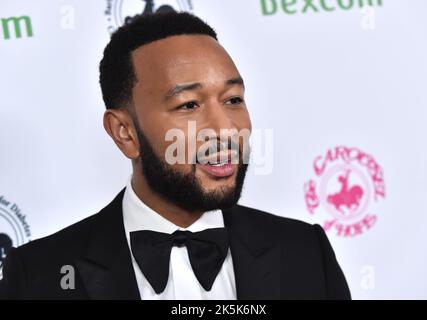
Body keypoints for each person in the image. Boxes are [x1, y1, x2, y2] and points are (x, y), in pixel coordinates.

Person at [0, 11, 350, 300]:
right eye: (188, 105)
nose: (225, 128)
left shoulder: (305, 253)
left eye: (233, 100)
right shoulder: (39, 277)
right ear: (125, 133)